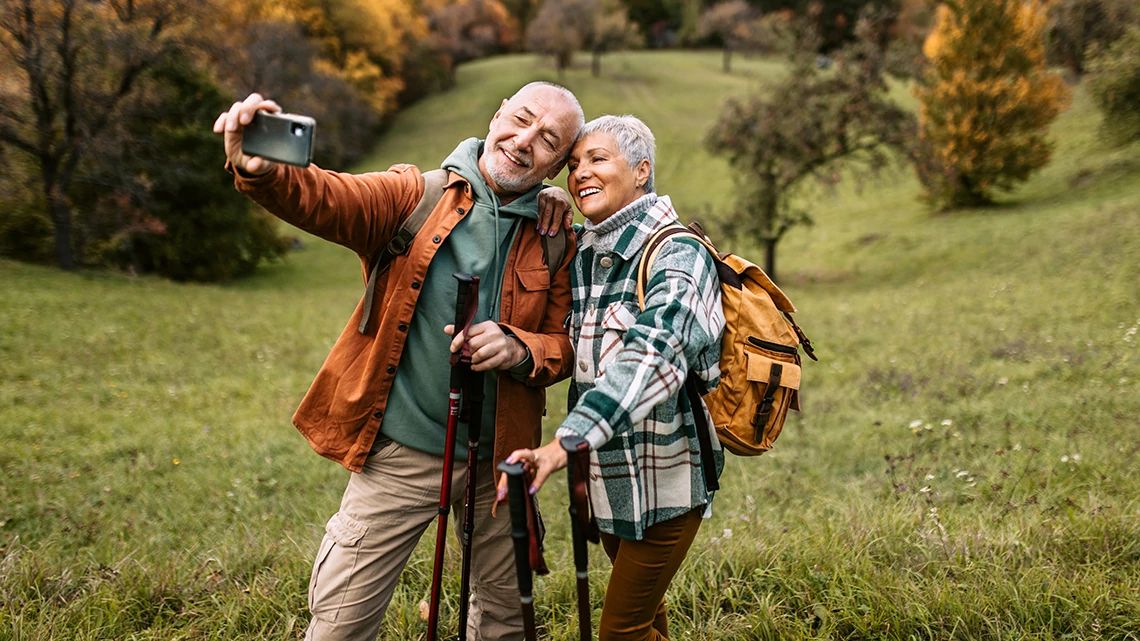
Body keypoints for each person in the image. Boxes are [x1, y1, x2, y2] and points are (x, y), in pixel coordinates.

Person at [212, 82, 584, 641]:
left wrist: (518, 347)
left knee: (508, 623)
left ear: (557, 164)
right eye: (521, 119)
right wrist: (265, 172)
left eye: (548, 139)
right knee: (341, 623)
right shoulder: (415, 194)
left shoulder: (557, 240)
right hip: (403, 455)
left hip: (503, 463)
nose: (524, 140)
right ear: (496, 113)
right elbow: (329, 198)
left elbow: (564, 347)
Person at [499, 115, 726, 640]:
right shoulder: (585, 254)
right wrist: (542, 200)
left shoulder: (679, 253)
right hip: (608, 487)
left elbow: (654, 355)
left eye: (598, 159)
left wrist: (564, 444)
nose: (580, 173)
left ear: (642, 170)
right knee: (646, 619)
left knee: (621, 632)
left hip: (667, 482)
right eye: (574, 165)